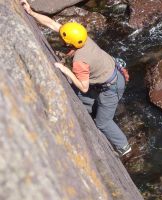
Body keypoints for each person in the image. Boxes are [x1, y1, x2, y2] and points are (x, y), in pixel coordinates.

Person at [20, 0, 131, 157]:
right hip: (110, 75)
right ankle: (91, 108)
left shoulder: (80, 61)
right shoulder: (81, 38)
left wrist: (66, 70)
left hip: (111, 87)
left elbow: (84, 87)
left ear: (68, 44)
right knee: (84, 100)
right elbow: (53, 25)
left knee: (102, 122)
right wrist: (30, 12)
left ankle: (123, 146)